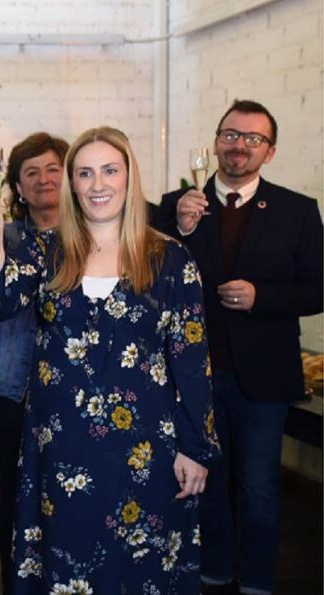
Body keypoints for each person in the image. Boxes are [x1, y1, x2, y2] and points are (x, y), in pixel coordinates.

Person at [0, 126, 218, 593]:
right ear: (72, 185)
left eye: (109, 170)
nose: (98, 184)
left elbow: (192, 361)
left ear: (128, 177)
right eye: (85, 173)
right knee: (67, 563)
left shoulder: (171, 259)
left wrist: (195, 447)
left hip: (146, 451)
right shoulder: (47, 249)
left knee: (141, 567)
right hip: (61, 449)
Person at [154, 100, 324, 595]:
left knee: (258, 491)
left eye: (253, 139)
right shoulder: (175, 205)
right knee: (202, 485)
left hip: (264, 381)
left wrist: (262, 297)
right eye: (231, 134)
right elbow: (147, 279)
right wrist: (180, 229)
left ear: (269, 153)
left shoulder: (297, 210)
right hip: (193, 376)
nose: (239, 145)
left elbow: (317, 289)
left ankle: (255, 583)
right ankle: (211, 574)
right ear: (215, 141)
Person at [0, 131, 69, 593]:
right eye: (31, 172)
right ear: (17, 188)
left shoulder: (94, 236)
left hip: (71, 392)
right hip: (10, 387)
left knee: (67, 493)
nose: (43, 179)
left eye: (53, 169)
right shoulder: (5, 235)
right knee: (16, 496)